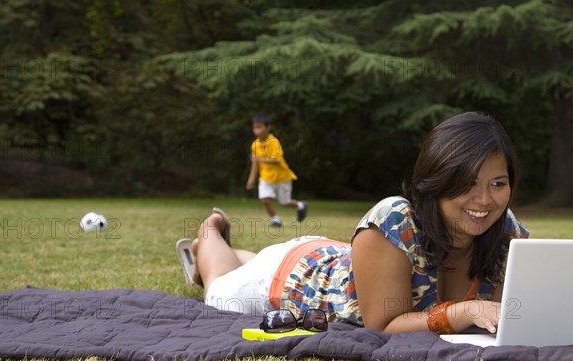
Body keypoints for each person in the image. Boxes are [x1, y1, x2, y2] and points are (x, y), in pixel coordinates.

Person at [181, 112, 529, 335]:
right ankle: (210, 235)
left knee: (253, 261)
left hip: (339, 257)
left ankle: (243, 254)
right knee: (218, 288)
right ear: (437, 181)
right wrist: (464, 310)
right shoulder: (395, 220)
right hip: (293, 279)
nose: (485, 200)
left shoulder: (506, 232)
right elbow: (385, 325)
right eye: (468, 183)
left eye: (497, 184)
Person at [245, 114, 308, 227]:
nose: (257, 130)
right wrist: (251, 179)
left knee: (284, 203)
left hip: (282, 177)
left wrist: (259, 159)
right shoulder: (255, 145)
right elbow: (255, 163)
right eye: (255, 127)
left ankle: (301, 205)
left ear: (268, 127)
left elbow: (277, 160)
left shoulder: (273, 142)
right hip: (265, 178)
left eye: (260, 127)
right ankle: (275, 219)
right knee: (264, 199)